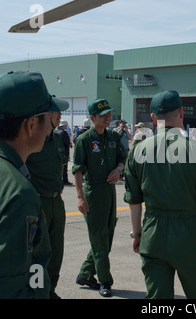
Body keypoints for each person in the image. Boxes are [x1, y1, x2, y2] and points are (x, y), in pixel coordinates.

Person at [0, 71, 67, 298]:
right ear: (31, 125)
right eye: (46, 117)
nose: (50, 126)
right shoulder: (17, 192)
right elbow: (2, 290)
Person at [124, 90, 196, 299]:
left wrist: (137, 234)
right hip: (187, 236)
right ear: (181, 112)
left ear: (153, 118)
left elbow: (134, 200)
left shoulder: (137, 151)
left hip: (152, 233)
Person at [72, 98, 127, 297]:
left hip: (110, 191)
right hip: (93, 192)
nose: (108, 118)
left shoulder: (112, 136)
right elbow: (77, 171)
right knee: (99, 238)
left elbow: (124, 156)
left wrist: (119, 170)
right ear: (92, 117)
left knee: (107, 236)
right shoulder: (84, 140)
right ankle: (105, 280)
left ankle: (85, 273)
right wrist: (80, 197)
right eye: (103, 115)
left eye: (109, 114)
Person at [26, 103, 69, 299]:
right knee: (36, 251)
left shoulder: (59, 137)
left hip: (56, 201)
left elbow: (60, 166)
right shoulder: (33, 138)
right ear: (46, 114)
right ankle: (36, 290)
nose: (60, 115)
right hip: (38, 202)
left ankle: (50, 290)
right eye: (56, 112)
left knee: (56, 249)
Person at [56, 120, 73, 185]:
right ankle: (65, 180)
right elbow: (66, 142)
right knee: (65, 167)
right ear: (64, 125)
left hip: (58, 152)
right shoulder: (64, 133)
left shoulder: (57, 132)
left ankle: (59, 180)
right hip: (64, 152)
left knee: (59, 167)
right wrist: (70, 144)